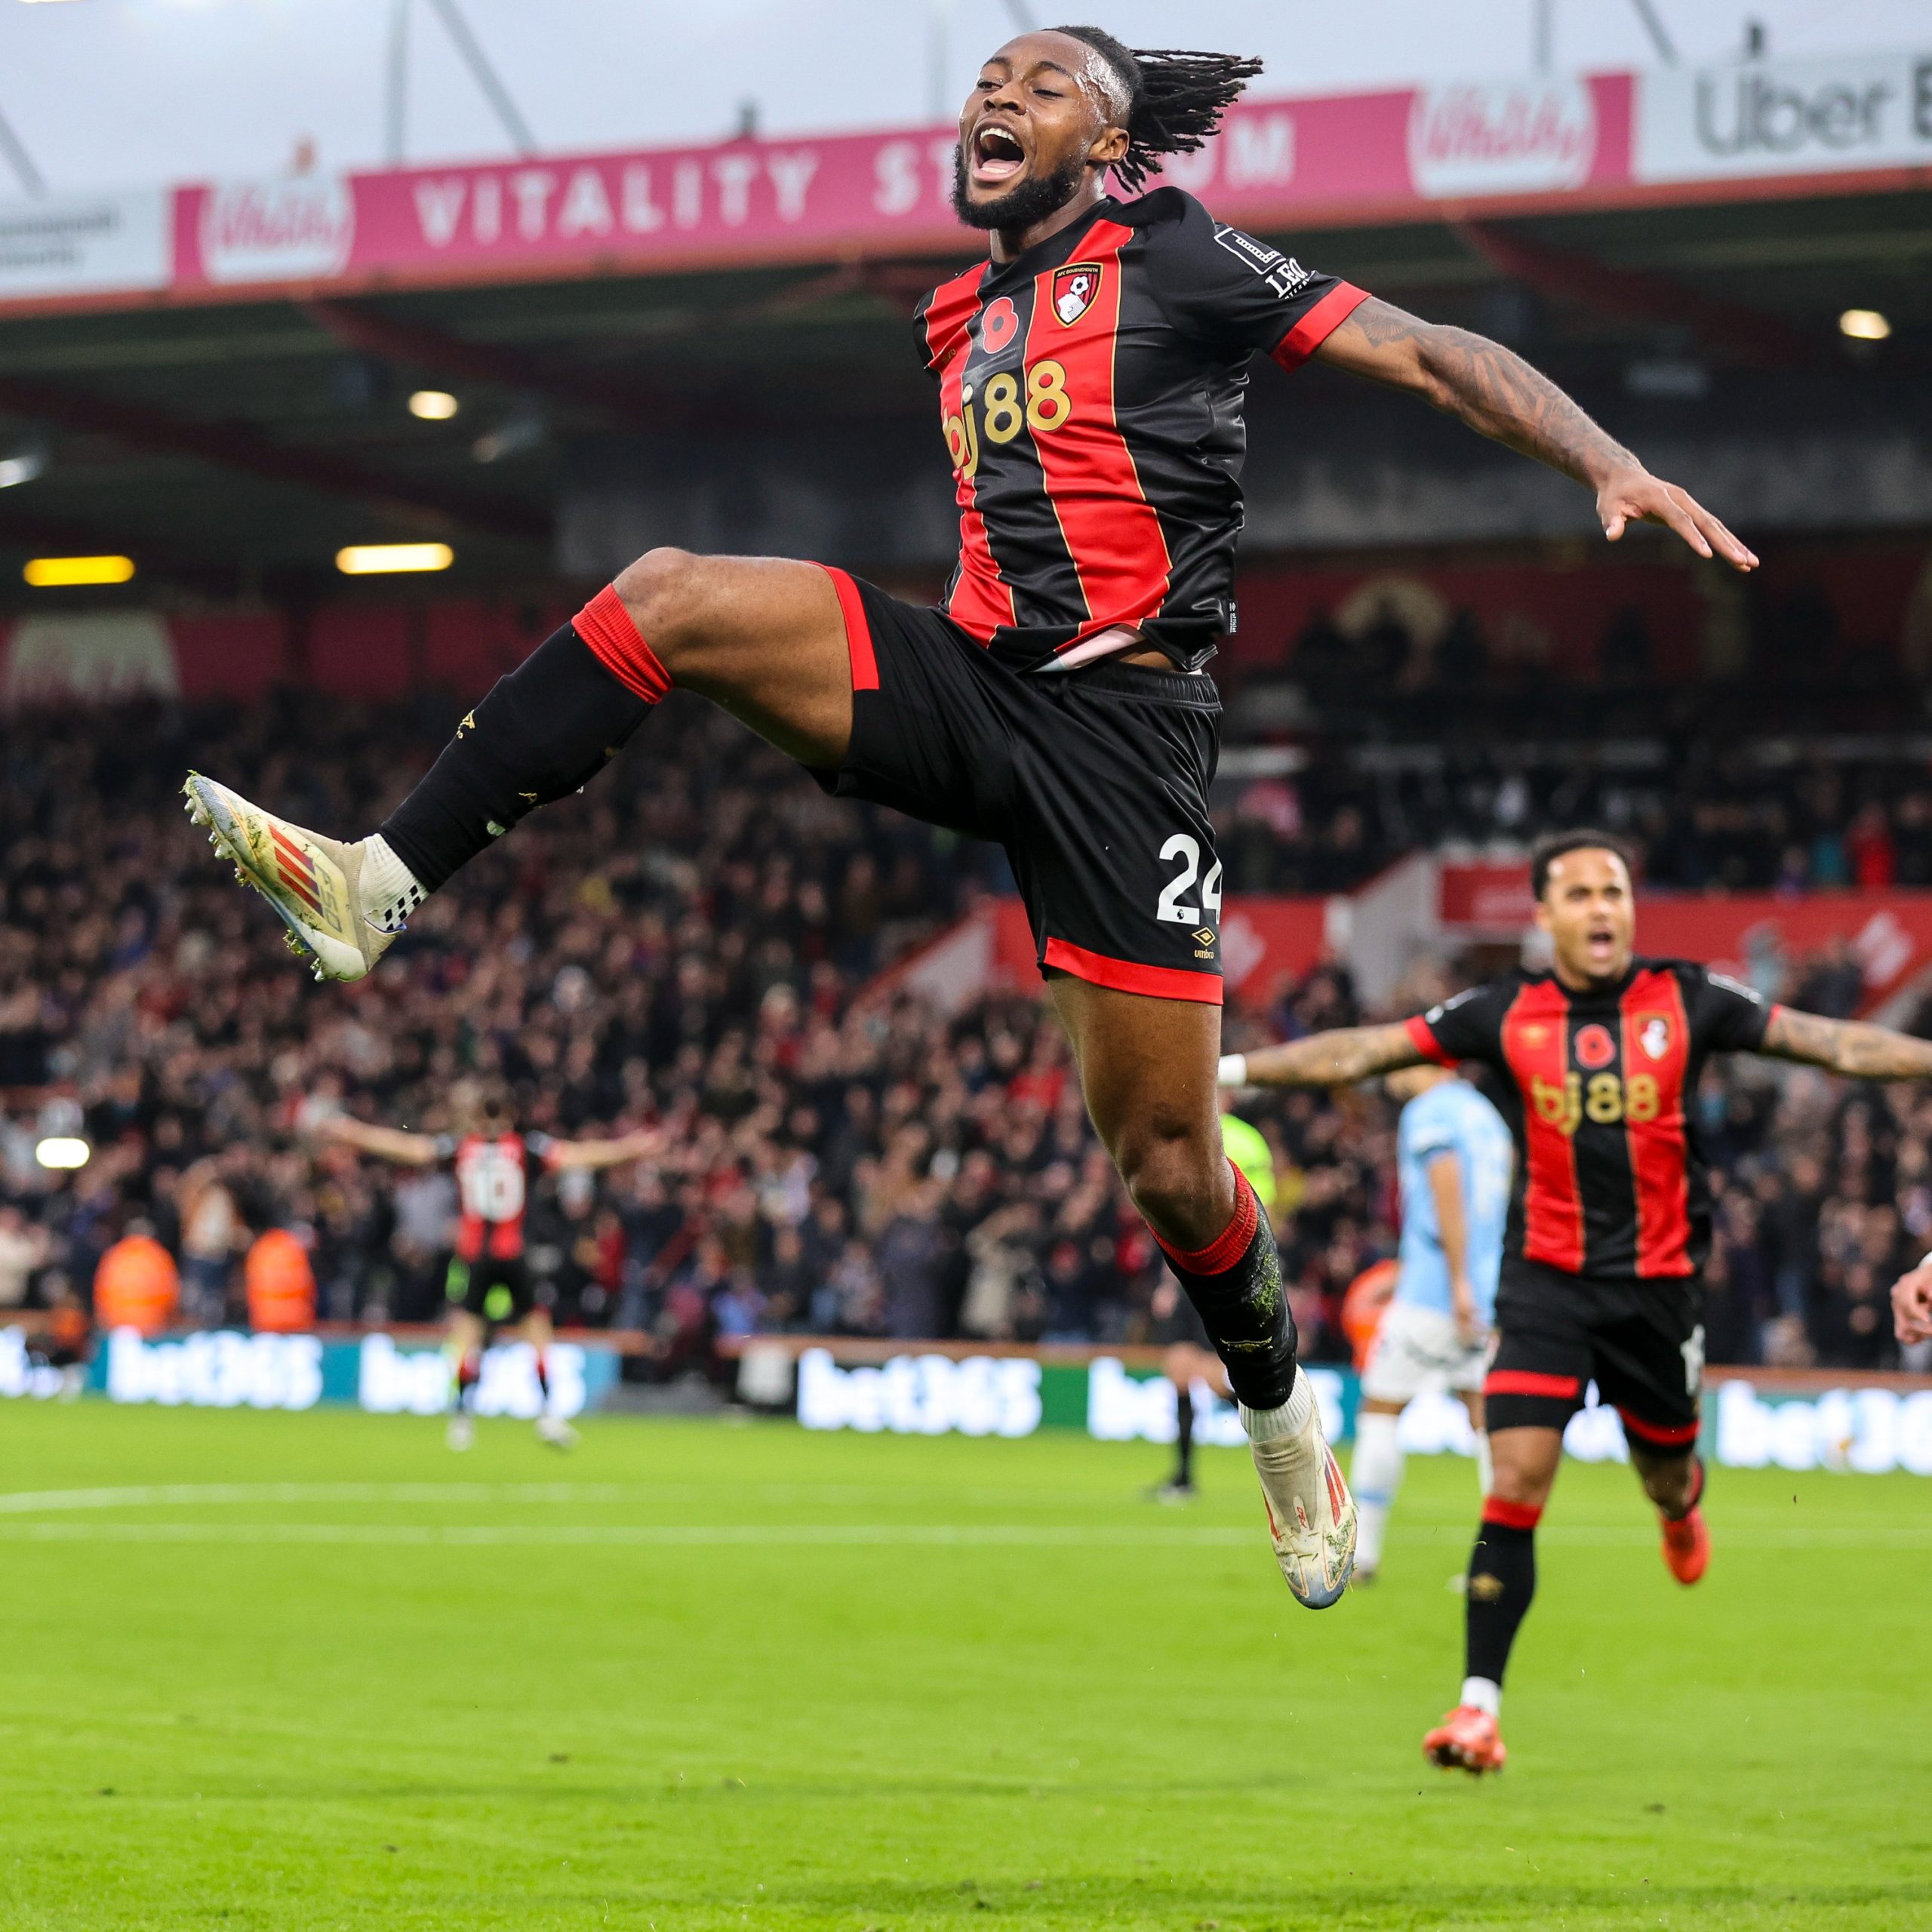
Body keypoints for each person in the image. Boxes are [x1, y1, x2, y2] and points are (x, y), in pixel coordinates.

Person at [183, 26, 1752, 1607]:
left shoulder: (1180, 254)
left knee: (1167, 1166)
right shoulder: (958, 310)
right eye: (984, 78)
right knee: (663, 596)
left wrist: (1603, 458)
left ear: (1114, 139)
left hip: (1120, 737)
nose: (996, 95)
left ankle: (1282, 1428)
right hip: (970, 679)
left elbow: (1426, 353)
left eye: (1044, 82)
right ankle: (374, 881)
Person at [1220, 829, 1932, 1770]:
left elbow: (1829, 1041)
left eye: (1616, 891)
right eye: (1582, 893)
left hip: (1657, 1296)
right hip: (1544, 1288)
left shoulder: (1686, 997)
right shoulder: (1503, 1012)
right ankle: (1477, 1708)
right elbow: (1367, 1051)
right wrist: (1226, 1072)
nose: (1602, 907)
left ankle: (1680, 1509)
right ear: (1545, 914)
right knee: (1512, 1481)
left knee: (1667, 1479)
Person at [319, 1091, 655, 1450]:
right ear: (509, 1116)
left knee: (466, 1335)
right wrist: (633, 1147)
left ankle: (462, 1419)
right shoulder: (526, 1147)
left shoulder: (462, 1147)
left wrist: (354, 1132)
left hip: (475, 1255)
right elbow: (580, 1155)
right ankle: (548, 1416)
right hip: (513, 1254)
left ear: (477, 1119)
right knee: (537, 1332)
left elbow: (409, 1147)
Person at [1347, 1064, 1512, 1583]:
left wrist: (1456, 1279)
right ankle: (1498, 1560)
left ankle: (1363, 1555)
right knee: (1486, 1421)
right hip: (1484, 1293)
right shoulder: (1490, 1120)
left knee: (1380, 1408)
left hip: (1435, 1293)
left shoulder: (1429, 1113)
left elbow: (1445, 1186)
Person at [1149, 1110, 1275, 1502]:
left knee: (1206, 1371)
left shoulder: (1241, 1139)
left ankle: (1282, 1431)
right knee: (1181, 1371)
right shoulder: (1183, 1134)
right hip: (1186, 1265)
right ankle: (1184, 1477)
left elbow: (1262, 1203)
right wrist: (1169, 1279)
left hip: (1223, 1267)